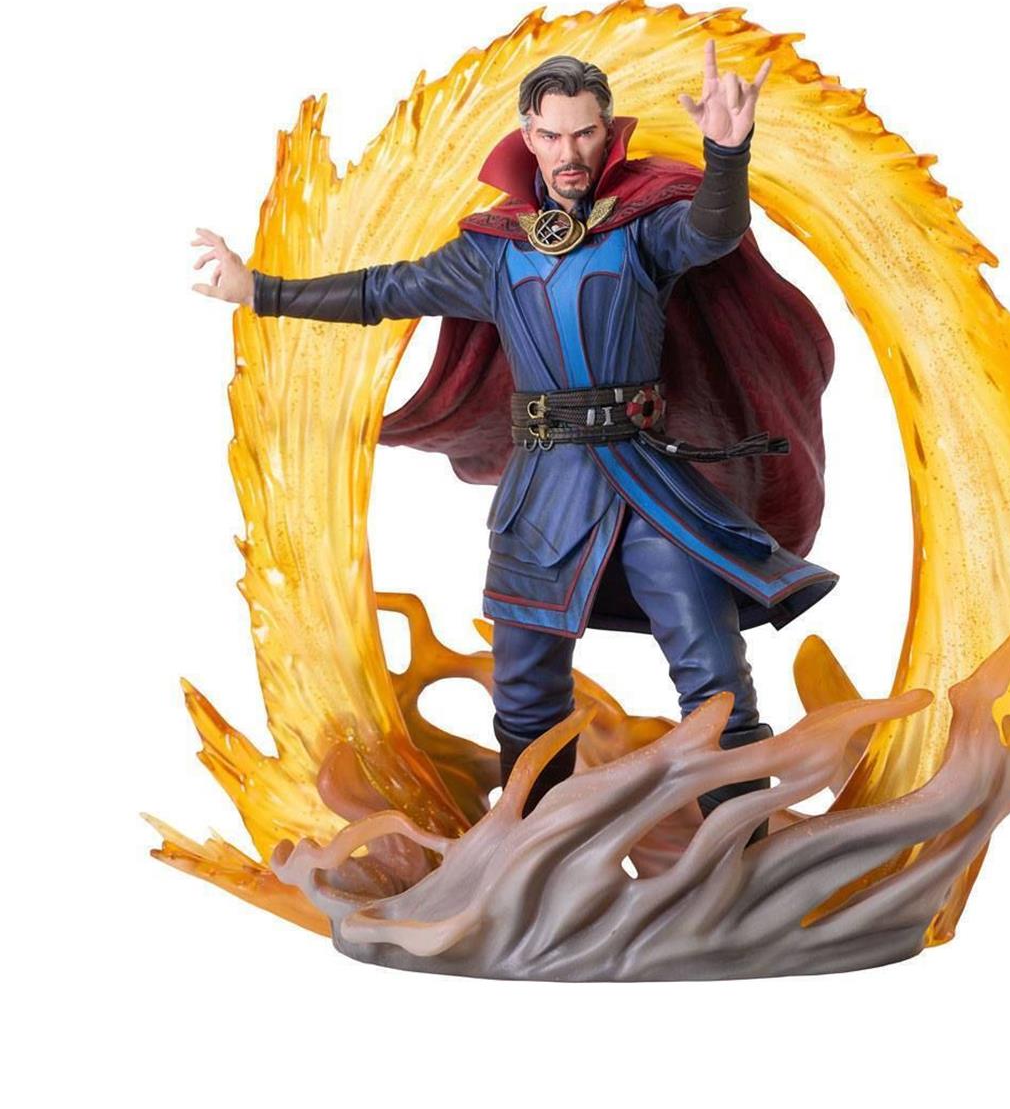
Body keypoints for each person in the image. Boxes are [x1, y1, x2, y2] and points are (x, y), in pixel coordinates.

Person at [191, 43, 837, 842]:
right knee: (526, 691)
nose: (570, 154)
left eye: (585, 134)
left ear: (608, 132)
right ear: (528, 136)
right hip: (543, 495)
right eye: (553, 135)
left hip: (649, 488)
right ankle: (527, 855)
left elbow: (713, 229)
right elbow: (383, 290)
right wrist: (258, 289)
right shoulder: (494, 250)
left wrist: (727, 155)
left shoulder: (641, 230)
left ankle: (743, 860)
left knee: (715, 680)